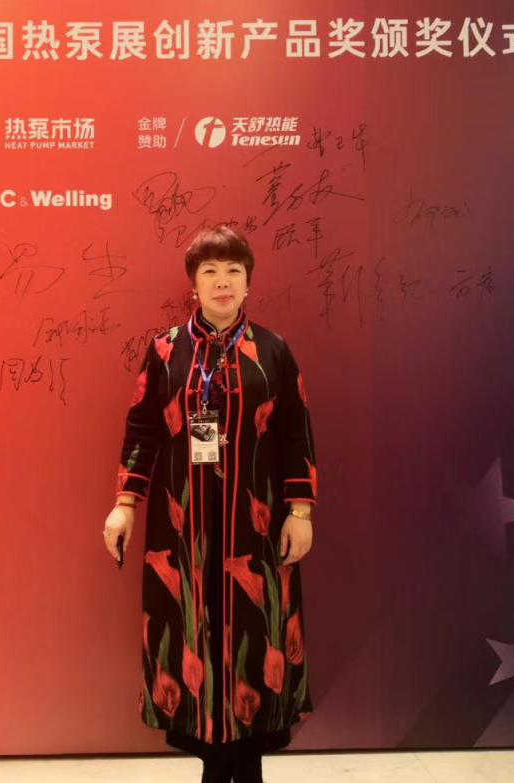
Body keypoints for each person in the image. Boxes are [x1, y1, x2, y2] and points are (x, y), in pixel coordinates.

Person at [103, 225, 318, 783]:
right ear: (194, 285)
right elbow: (142, 429)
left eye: (233, 272)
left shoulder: (273, 351)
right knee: (193, 638)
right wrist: (125, 503)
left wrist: (300, 512)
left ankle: (245, 766)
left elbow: (296, 434)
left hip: (258, 528)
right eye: (210, 273)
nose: (223, 283)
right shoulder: (166, 350)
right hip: (183, 531)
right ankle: (213, 765)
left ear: (248, 284)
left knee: (256, 638)